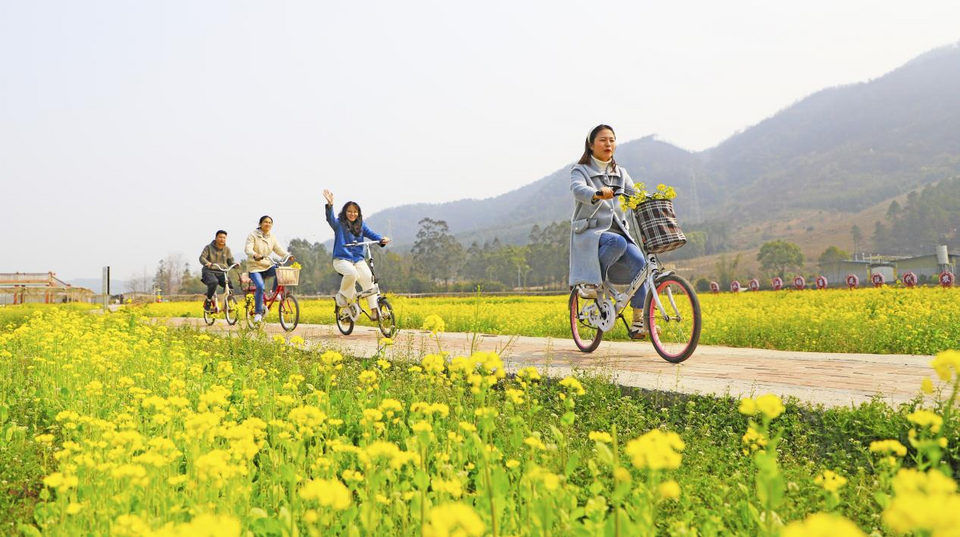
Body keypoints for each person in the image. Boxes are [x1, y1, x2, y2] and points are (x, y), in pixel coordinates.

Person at [568, 124, 650, 339]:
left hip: (618, 232)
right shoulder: (581, 170)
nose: (608, 144)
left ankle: (638, 322)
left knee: (641, 264)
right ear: (591, 144)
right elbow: (578, 189)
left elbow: (635, 193)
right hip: (592, 232)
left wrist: (650, 199)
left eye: (612, 140)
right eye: (603, 140)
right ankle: (591, 281)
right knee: (618, 243)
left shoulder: (620, 172)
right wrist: (596, 193)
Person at [323, 189, 390, 318]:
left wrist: (381, 239)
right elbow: (330, 219)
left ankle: (375, 310)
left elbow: (372, 234)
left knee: (368, 279)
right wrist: (330, 205)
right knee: (351, 273)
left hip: (358, 260)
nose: (352, 214)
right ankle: (342, 295)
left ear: (358, 213)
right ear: (345, 212)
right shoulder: (339, 224)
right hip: (341, 259)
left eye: (355, 211)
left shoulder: (361, 225)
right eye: (349, 211)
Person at [244, 216, 294, 323]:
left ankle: (274, 293)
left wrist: (288, 255)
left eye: (270, 223)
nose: (268, 224)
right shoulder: (253, 235)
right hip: (255, 267)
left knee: (280, 270)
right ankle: (258, 313)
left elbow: (278, 249)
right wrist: (255, 254)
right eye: (265, 222)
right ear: (260, 223)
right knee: (260, 287)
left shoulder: (272, 237)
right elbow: (248, 248)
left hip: (267, 265)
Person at [199, 230, 235, 312]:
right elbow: (202, 258)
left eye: (224, 238)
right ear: (216, 238)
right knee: (214, 282)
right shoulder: (208, 247)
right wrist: (207, 262)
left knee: (229, 285)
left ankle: (227, 303)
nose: (222, 239)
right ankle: (208, 300)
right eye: (220, 237)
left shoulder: (227, 249)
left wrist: (234, 264)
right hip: (209, 271)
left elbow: (230, 261)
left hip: (222, 272)